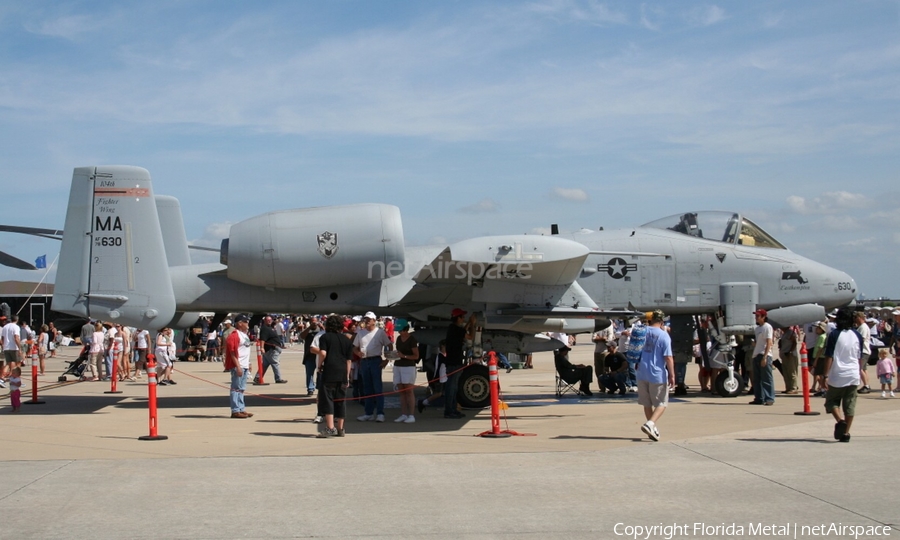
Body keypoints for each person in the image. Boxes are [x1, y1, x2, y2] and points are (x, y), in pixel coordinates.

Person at [824, 308, 863, 443]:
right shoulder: (857, 335)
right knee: (850, 405)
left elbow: (829, 356)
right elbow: (860, 357)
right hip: (853, 374)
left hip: (838, 374)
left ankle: (840, 421)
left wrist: (825, 375)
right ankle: (846, 433)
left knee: (831, 401)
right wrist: (859, 371)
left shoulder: (834, 334)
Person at [636, 310, 674, 442]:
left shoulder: (642, 332)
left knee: (647, 403)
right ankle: (650, 423)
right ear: (662, 321)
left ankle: (651, 427)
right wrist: (672, 375)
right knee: (662, 402)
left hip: (642, 372)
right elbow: (668, 357)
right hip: (657, 373)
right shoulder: (664, 336)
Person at [314, 315, 353, 437]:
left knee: (328, 399)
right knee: (341, 399)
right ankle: (341, 428)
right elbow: (348, 360)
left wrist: (319, 366)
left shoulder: (325, 337)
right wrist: (347, 376)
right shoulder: (346, 339)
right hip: (342, 372)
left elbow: (323, 353)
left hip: (329, 370)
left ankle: (330, 428)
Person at [353, 311, 393, 422]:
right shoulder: (361, 333)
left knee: (377, 387)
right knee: (367, 388)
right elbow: (355, 347)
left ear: (374, 321)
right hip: (365, 361)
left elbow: (389, 345)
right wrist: (358, 353)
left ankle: (380, 413)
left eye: (369, 320)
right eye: (365, 319)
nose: (366, 322)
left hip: (376, 360)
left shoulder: (379, 333)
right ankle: (368, 413)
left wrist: (387, 360)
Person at [443, 308, 475, 419]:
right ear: (458, 318)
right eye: (462, 317)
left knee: (452, 387)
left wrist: (469, 323)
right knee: (452, 388)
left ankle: (452, 409)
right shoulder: (456, 330)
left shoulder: (453, 328)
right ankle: (449, 410)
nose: (463, 319)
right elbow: (470, 336)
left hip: (452, 362)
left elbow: (462, 332)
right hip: (454, 363)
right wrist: (473, 325)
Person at [225, 315, 254, 418]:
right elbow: (232, 352)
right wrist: (237, 366)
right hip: (238, 365)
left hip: (244, 365)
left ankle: (241, 408)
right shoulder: (234, 335)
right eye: (245, 321)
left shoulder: (244, 335)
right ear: (239, 323)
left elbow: (245, 350)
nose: (247, 323)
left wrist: (248, 363)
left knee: (241, 388)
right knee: (236, 388)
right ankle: (235, 410)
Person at [392, 321, 419, 423]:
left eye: (401, 330)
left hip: (408, 366)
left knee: (409, 391)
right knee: (402, 391)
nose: (400, 332)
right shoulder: (399, 338)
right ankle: (403, 414)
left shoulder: (412, 340)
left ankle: (411, 415)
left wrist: (405, 356)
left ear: (405, 329)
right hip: (398, 365)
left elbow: (416, 356)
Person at [749, 309, 775, 406]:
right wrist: (754, 344)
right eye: (756, 316)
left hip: (764, 354)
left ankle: (769, 398)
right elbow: (759, 342)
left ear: (763, 317)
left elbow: (769, 342)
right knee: (757, 378)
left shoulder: (767, 327)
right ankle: (759, 397)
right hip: (756, 354)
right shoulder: (757, 329)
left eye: (758, 316)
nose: (756, 318)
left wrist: (765, 356)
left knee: (766, 378)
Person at [417, 340, 446, 414]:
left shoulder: (441, 356)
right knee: (438, 393)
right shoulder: (440, 356)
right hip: (440, 378)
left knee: (441, 393)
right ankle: (424, 402)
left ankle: (425, 402)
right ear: (442, 347)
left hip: (442, 378)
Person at [256, 315, 287, 384]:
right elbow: (262, 339)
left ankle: (258, 377)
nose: (269, 321)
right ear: (264, 321)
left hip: (272, 349)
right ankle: (278, 378)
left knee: (264, 365)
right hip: (271, 350)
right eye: (268, 320)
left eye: (270, 320)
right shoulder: (265, 329)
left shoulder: (270, 328)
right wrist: (262, 347)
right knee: (275, 363)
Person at [778, 325, 801, 394]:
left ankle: (793, 387)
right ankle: (788, 387)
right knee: (786, 372)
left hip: (790, 354)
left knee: (792, 372)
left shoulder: (791, 333)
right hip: (784, 354)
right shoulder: (783, 334)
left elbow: (794, 343)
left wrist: (790, 351)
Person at [855, 311, 872, 394]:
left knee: (860, 368)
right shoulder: (861, 327)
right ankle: (867, 384)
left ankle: (866, 385)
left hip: (863, 351)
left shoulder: (863, 327)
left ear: (859, 318)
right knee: (864, 369)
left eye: (856, 318)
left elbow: (862, 338)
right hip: (864, 350)